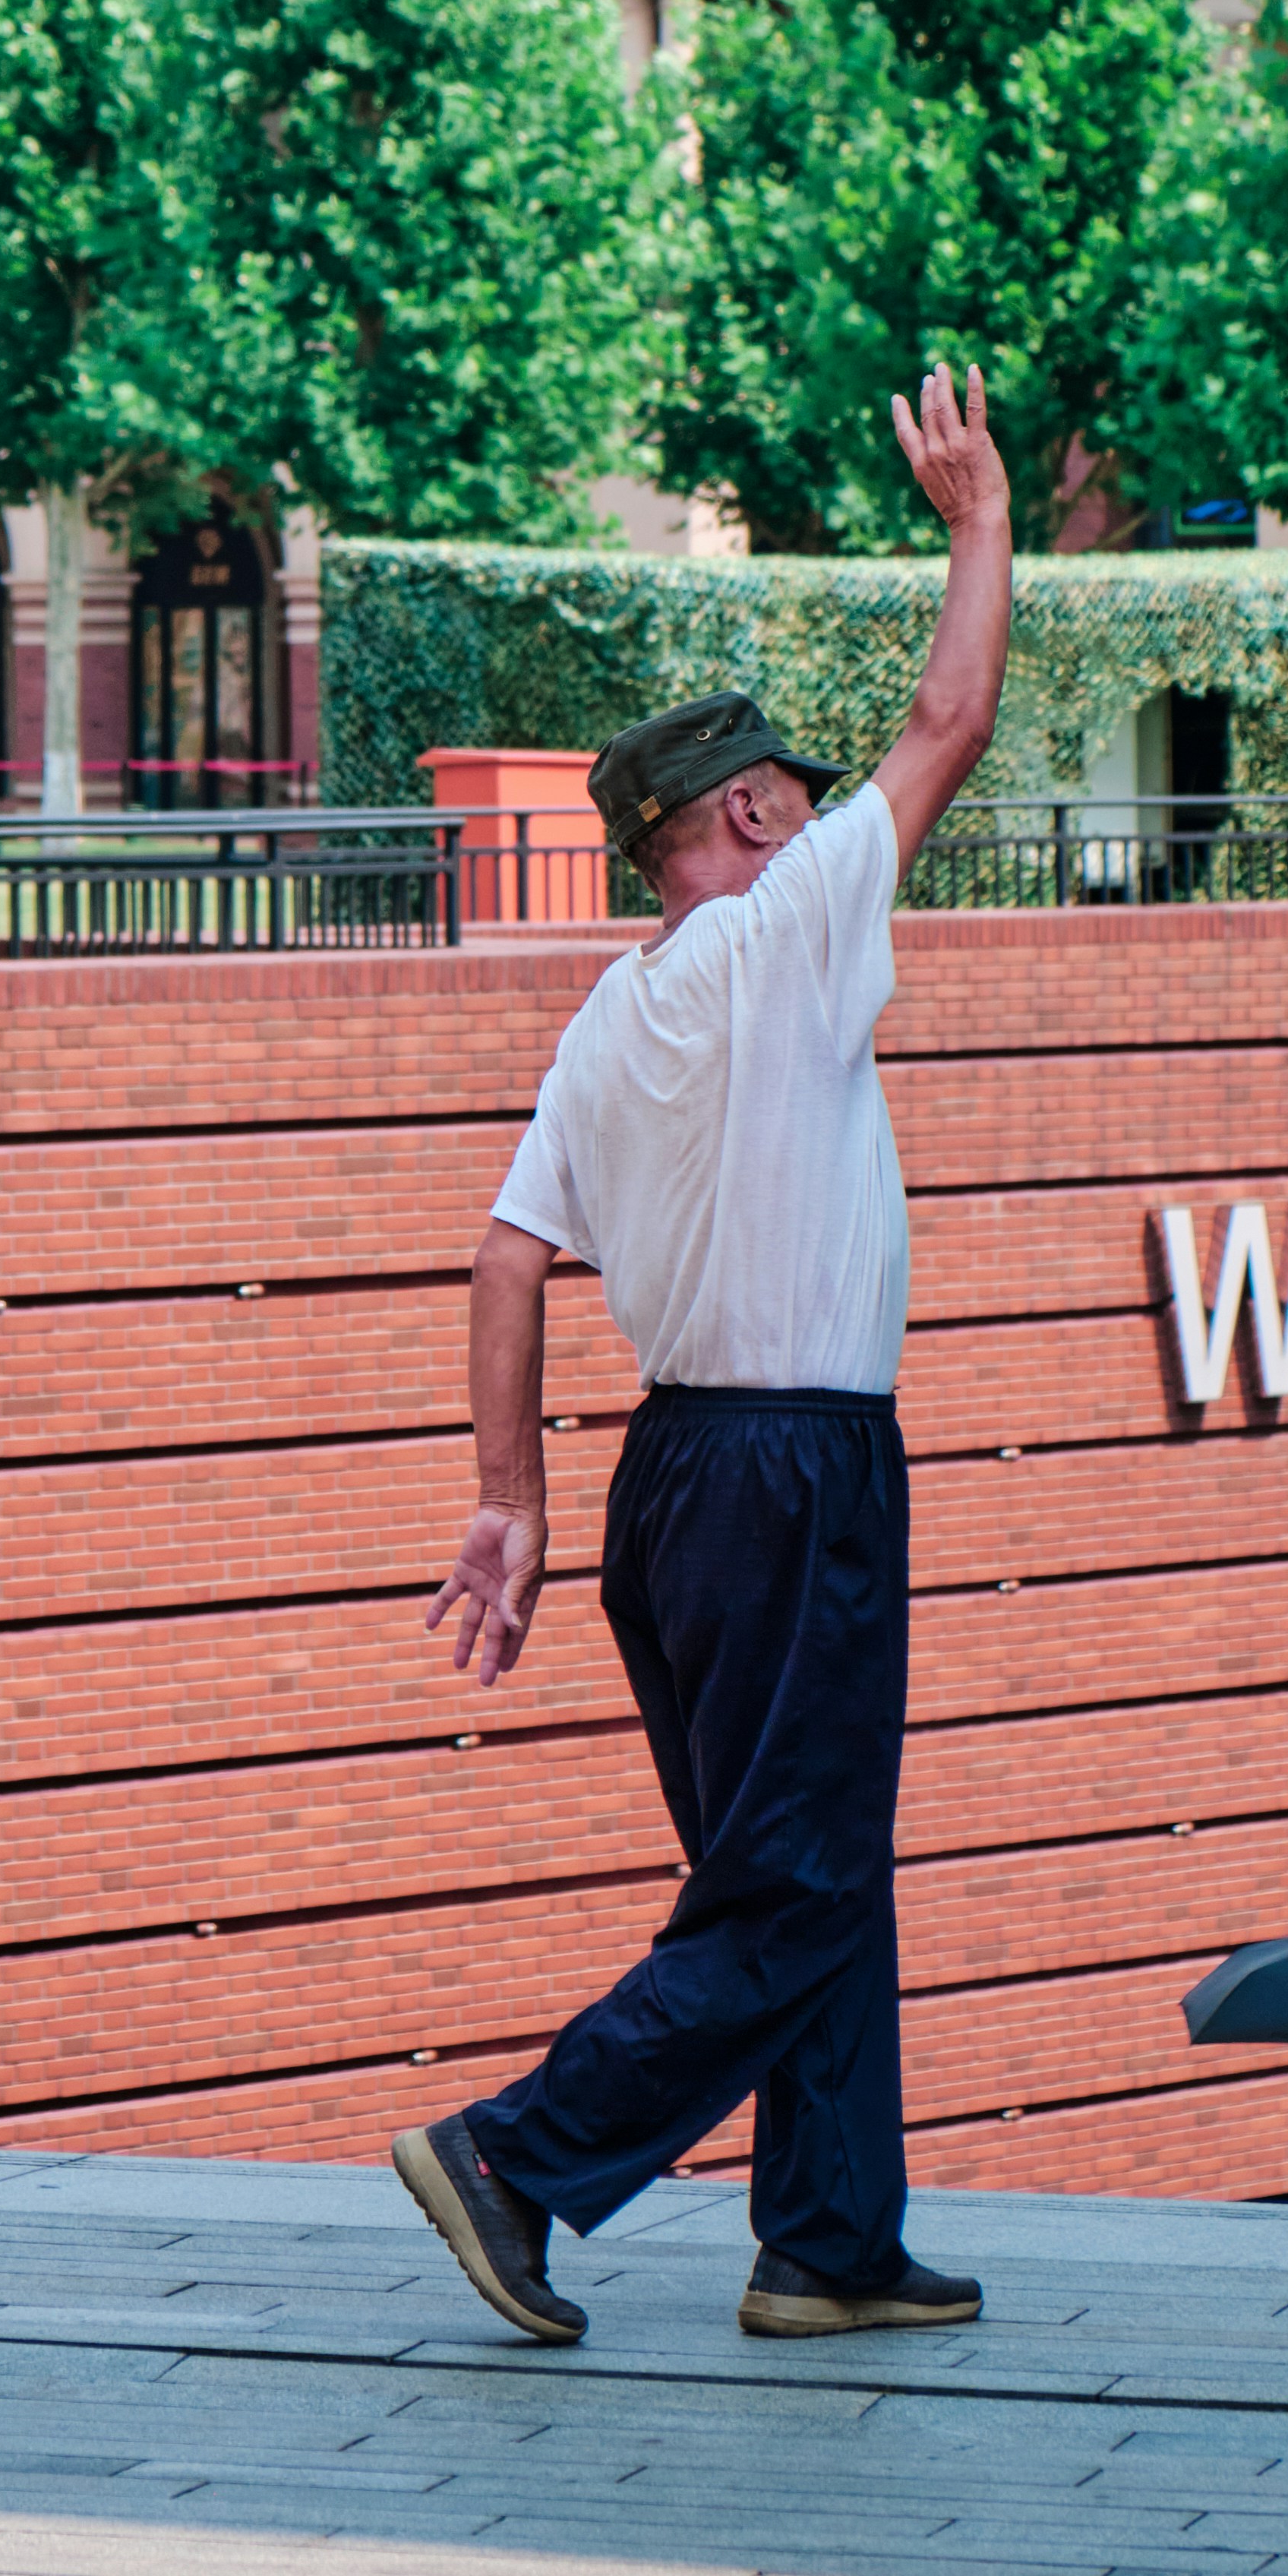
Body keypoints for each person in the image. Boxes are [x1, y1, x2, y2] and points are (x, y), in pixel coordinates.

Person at [392, 359, 1013, 2350]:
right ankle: (516, 2155)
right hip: (794, 1463)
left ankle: (826, 2230)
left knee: (793, 1863)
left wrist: (512, 1497)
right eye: (797, 794)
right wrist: (979, 523)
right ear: (746, 811)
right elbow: (949, 718)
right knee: (797, 1879)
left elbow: (505, 1254)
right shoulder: (786, 927)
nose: (832, 811)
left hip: (668, 1489)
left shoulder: (610, 1006)